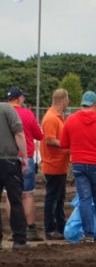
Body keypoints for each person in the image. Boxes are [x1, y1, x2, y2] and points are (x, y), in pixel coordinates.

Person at [60, 91, 96, 242]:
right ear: (95, 104)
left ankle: (88, 234)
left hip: (78, 163)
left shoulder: (71, 120)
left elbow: (63, 143)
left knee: (85, 199)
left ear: (82, 103)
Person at [4, 87, 44, 241]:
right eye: (23, 97)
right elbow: (39, 135)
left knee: (10, 195)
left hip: (7, 158)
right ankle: (30, 228)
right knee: (27, 195)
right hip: (25, 157)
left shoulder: (3, 113)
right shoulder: (27, 113)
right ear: (18, 99)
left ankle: (14, 228)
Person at [0, 101, 31, 249]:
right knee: (15, 200)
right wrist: (24, 157)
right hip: (9, 161)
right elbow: (19, 133)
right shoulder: (7, 109)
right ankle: (19, 240)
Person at [40, 89, 70, 240]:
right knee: (53, 198)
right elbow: (50, 140)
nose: (68, 103)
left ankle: (59, 227)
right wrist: (66, 145)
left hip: (58, 165)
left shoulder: (56, 117)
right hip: (53, 165)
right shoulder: (51, 118)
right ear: (63, 100)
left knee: (58, 198)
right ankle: (50, 229)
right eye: (67, 100)